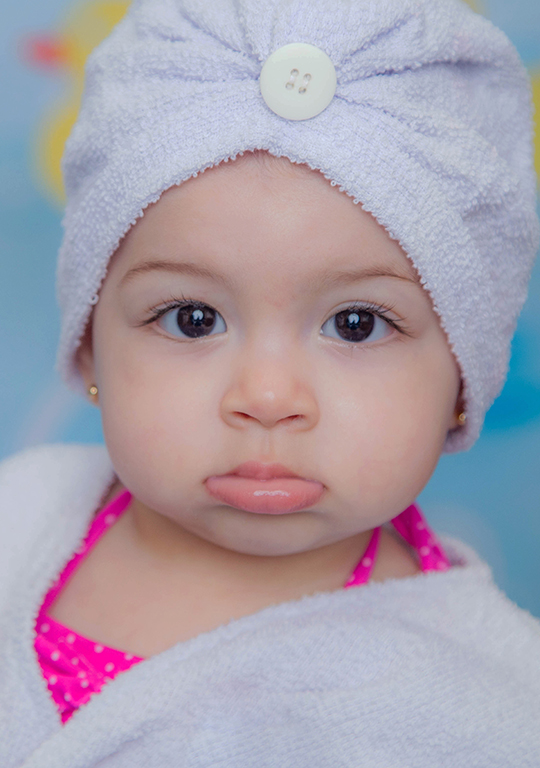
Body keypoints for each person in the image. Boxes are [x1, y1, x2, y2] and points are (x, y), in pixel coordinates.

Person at [1, 0, 540, 765]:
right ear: (89, 345)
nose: (267, 397)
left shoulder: (484, 709)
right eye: (192, 320)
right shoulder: (19, 518)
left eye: (357, 324)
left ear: (464, 379)